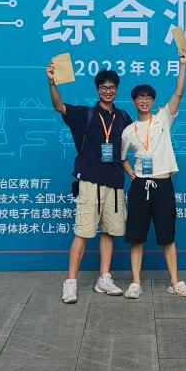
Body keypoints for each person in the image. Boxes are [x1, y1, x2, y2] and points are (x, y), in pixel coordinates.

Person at [47, 65, 131, 304]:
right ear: (97, 90)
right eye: (103, 87)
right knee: (83, 232)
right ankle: (70, 282)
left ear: (116, 90)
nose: (108, 91)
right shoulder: (86, 114)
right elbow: (59, 106)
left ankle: (104, 278)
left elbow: (135, 142)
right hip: (89, 181)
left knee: (109, 232)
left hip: (114, 182)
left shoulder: (124, 117)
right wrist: (52, 83)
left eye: (112, 87)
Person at [120, 47, 186, 299]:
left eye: (148, 97)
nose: (144, 101)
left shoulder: (164, 118)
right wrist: (132, 174)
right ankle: (135, 283)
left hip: (163, 186)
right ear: (133, 102)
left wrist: (182, 64)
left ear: (153, 101)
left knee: (167, 237)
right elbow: (121, 157)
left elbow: (179, 92)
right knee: (136, 237)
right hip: (140, 187)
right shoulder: (128, 130)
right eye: (139, 98)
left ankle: (174, 281)